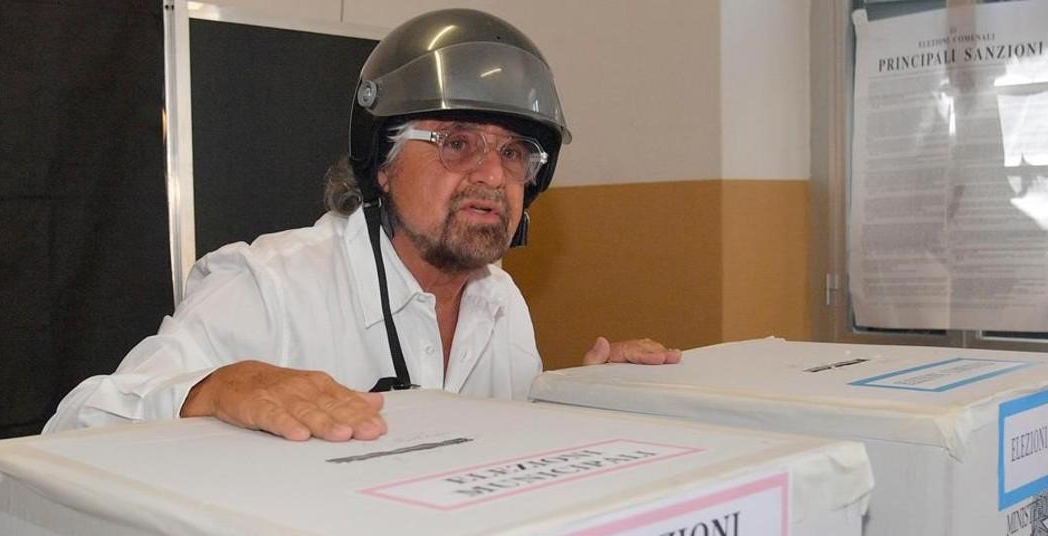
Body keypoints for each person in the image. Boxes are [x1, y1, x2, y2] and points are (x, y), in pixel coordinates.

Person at [45, 8, 679, 442]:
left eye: (515, 153)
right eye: (457, 143)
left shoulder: (501, 302)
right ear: (381, 164)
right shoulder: (269, 286)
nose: (493, 174)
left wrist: (585, 398)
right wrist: (215, 387)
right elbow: (74, 428)